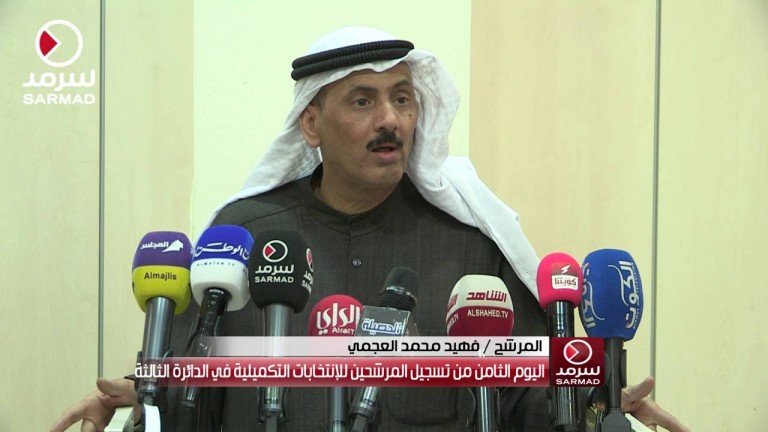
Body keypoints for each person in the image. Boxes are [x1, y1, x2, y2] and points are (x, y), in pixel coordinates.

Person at [51, 27, 689, 432]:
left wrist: (598, 407)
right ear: (311, 124)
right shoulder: (242, 236)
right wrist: (144, 407)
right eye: (363, 100)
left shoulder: (471, 248)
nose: (391, 120)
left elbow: (532, 404)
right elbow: (190, 396)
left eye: (402, 99)